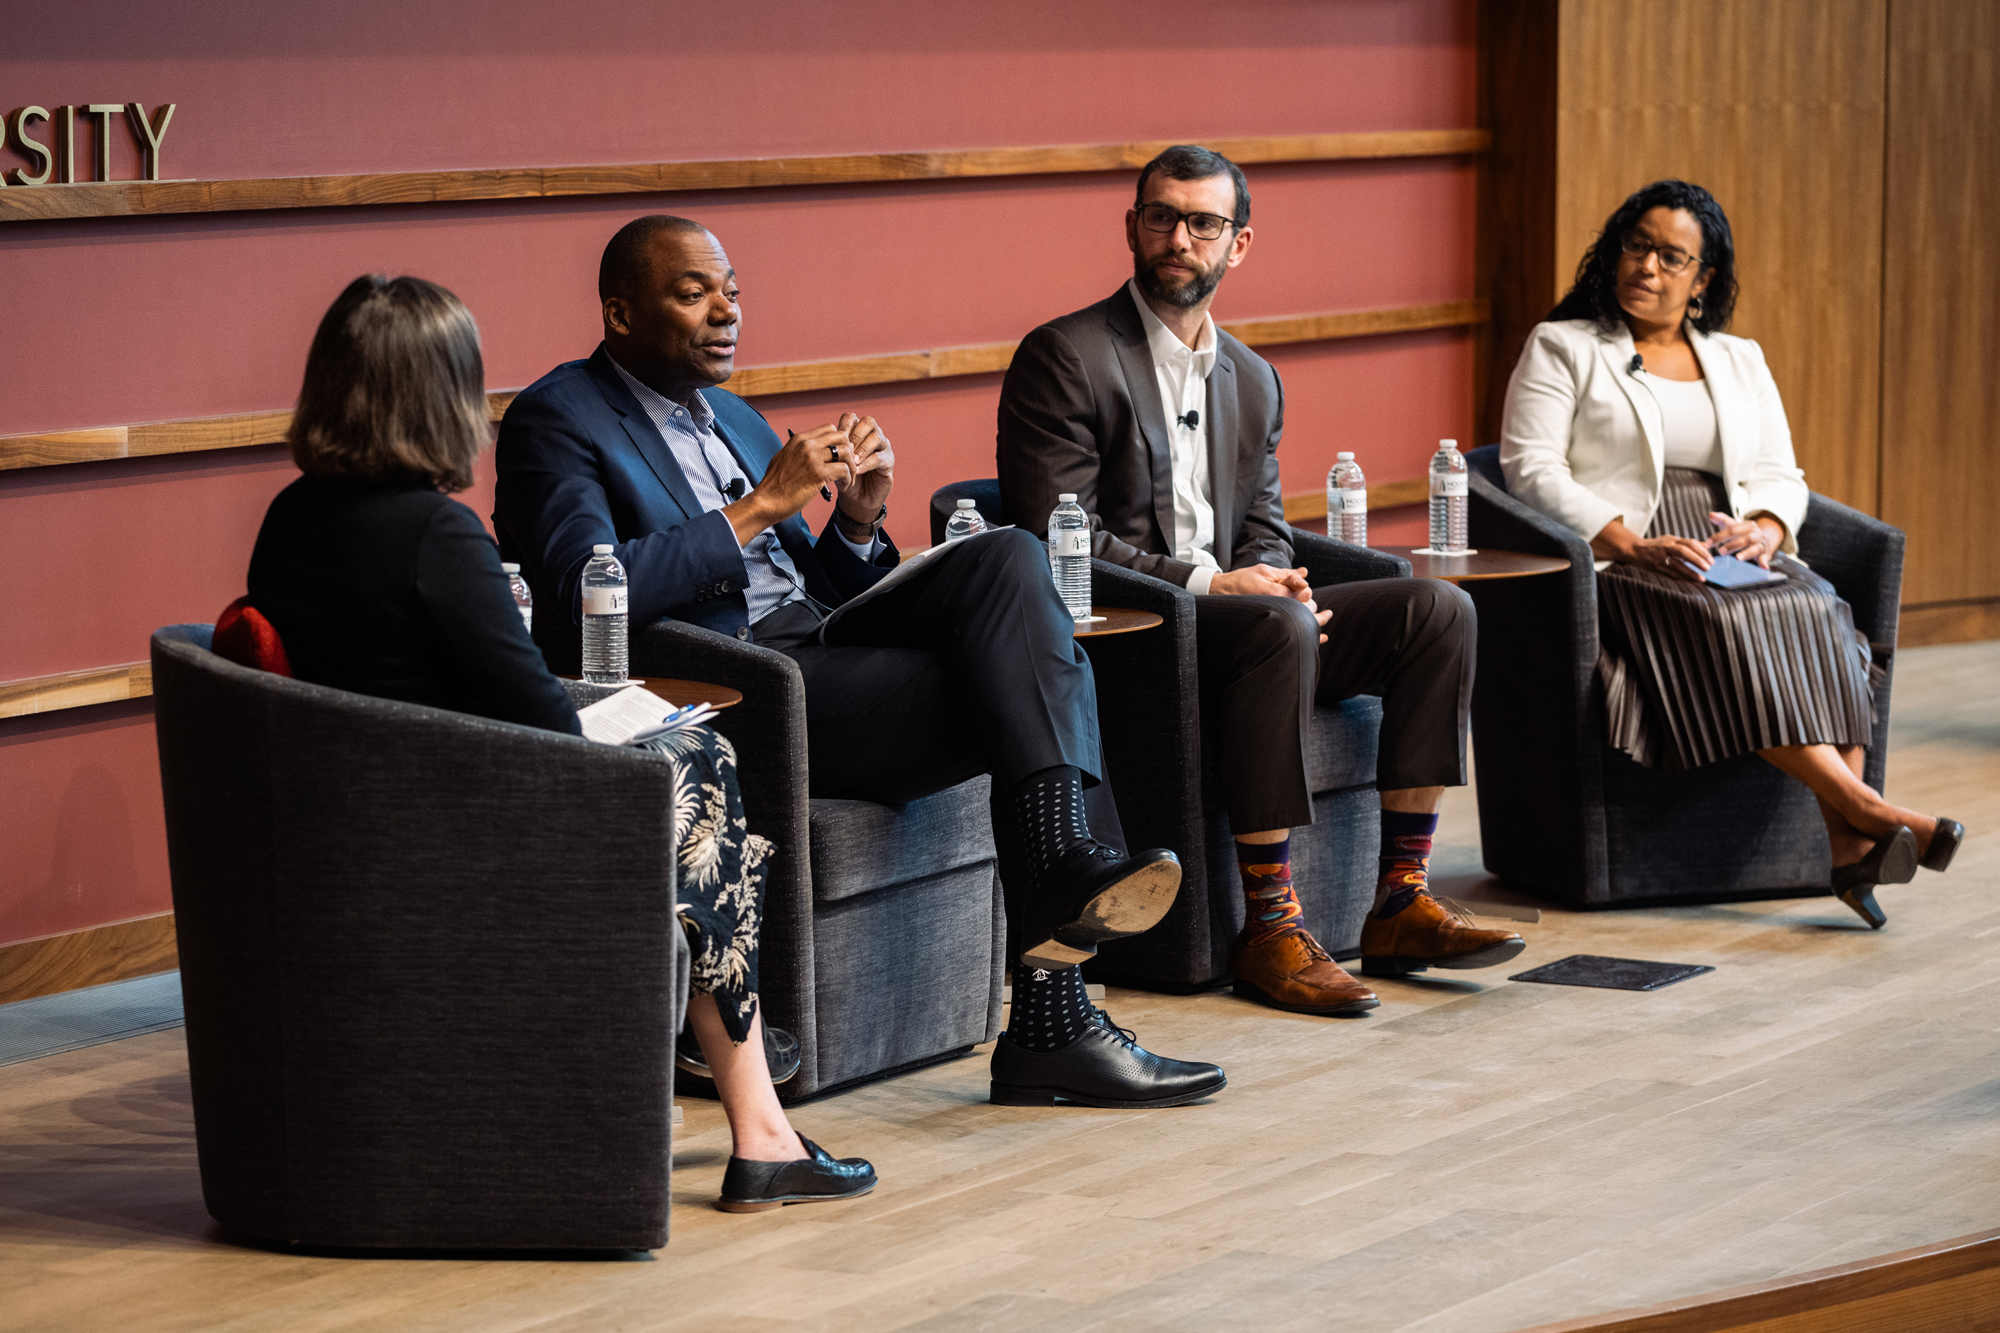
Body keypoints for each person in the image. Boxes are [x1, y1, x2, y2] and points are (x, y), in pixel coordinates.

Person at [492, 216, 1228, 1109]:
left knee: (1006, 557)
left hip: (825, 646)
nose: (725, 311)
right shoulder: (556, 416)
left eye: (732, 292)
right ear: (618, 311)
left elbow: (819, 582)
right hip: (740, 684)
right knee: (1033, 682)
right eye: (694, 294)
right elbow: (581, 588)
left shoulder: (732, 415)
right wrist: (763, 505)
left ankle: (1066, 885)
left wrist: (858, 521)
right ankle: (1054, 1009)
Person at [246, 273, 874, 1212]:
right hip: (466, 825)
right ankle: (760, 1119)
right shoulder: (435, 535)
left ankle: (731, 1056)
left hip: (359, 813)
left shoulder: (289, 519)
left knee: (686, 764)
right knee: (702, 768)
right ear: (443, 393)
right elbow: (538, 716)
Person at [996, 145, 1526, 1017]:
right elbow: (1064, 540)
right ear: (1132, 227)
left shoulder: (1252, 375)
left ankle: (1401, 897)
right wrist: (1216, 587)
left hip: (1239, 619)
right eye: (1162, 217)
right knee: (1275, 628)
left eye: (1204, 223)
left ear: (1238, 245)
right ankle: (1271, 926)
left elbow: (1265, 522)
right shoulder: (1067, 355)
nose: (1180, 238)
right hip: (1129, 629)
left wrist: (1277, 581)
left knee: (1438, 608)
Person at [1499, 179, 1964, 927]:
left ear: (1703, 277)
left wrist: (1771, 528)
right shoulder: (1565, 346)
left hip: (1729, 543)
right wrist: (1629, 542)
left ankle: (1852, 840)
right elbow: (1530, 468)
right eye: (1636, 244)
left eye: (1670, 256)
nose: (1647, 266)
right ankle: (1869, 811)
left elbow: (1782, 470)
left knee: (1818, 604)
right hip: (1629, 553)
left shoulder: (1738, 358)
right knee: (1726, 620)